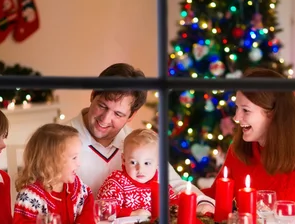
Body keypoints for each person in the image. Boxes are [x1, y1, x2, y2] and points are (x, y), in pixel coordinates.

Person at [66, 63, 215, 213]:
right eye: (102, 106)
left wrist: (202, 203)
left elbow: (175, 184)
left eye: (118, 114)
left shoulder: (136, 142)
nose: (105, 119)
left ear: (131, 116)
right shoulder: (60, 141)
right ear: (93, 95)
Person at [209, 68, 295, 224]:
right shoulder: (239, 151)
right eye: (237, 108)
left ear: (273, 114)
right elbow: (213, 198)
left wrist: (277, 222)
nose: (237, 118)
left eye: (245, 110)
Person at [13, 123, 97, 224]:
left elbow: (89, 206)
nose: (79, 163)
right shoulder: (31, 196)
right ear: (51, 162)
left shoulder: (76, 186)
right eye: (74, 158)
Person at [97, 128, 178, 217]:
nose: (140, 169)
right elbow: (103, 208)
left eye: (147, 163)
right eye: (133, 162)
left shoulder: (161, 185)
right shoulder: (117, 182)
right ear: (124, 160)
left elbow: (174, 203)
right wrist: (132, 214)